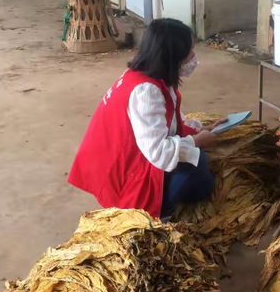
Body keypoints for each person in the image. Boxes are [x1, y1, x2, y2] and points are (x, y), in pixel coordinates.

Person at [68, 18, 226, 218]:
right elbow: (159, 153)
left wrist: (201, 128)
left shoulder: (144, 74)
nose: (193, 58)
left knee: (195, 156)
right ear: (173, 56)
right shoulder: (146, 91)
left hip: (123, 158)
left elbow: (164, 120)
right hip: (123, 173)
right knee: (198, 166)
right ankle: (163, 211)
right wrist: (196, 141)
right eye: (189, 52)